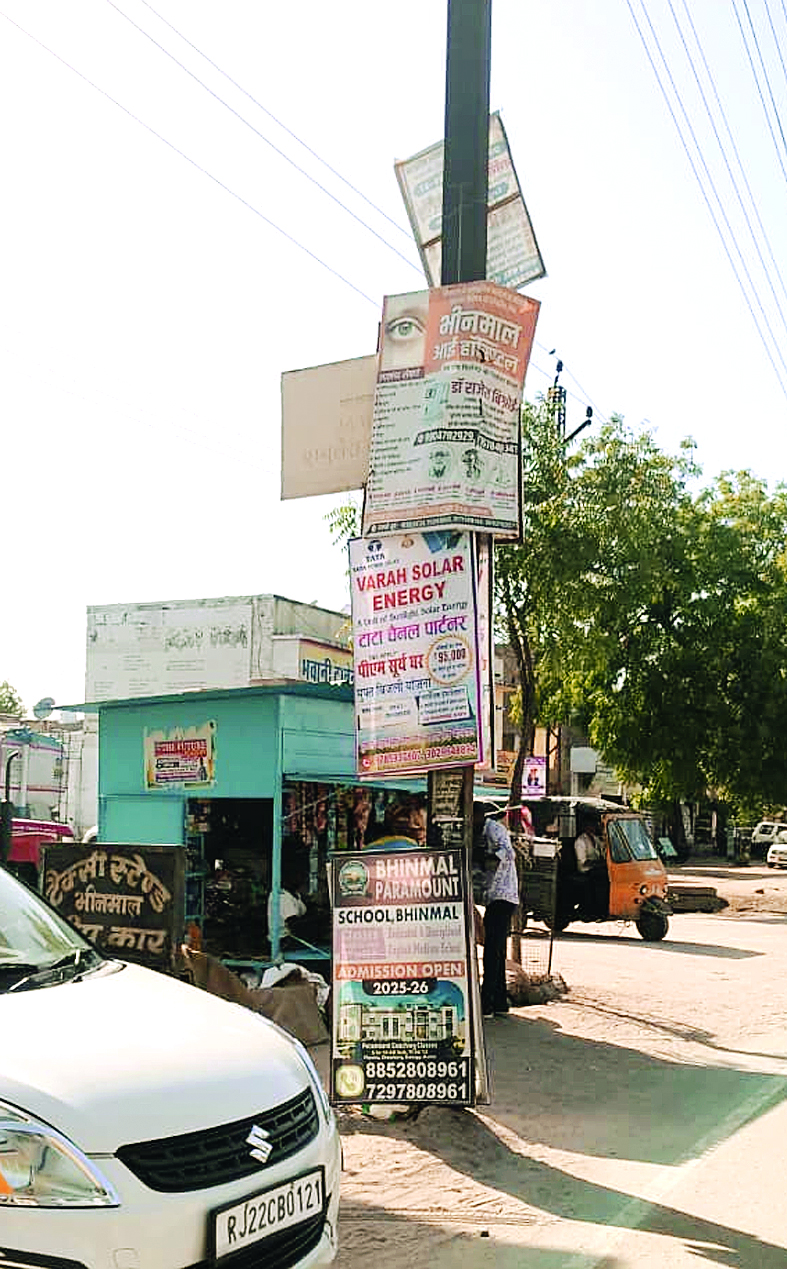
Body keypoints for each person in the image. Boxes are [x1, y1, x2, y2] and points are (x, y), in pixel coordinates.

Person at [474, 802, 520, 1019]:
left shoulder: (494, 829)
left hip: (503, 895)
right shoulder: (481, 832)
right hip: (494, 896)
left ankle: (487, 1003)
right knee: (497, 950)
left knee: (492, 950)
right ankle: (500, 1001)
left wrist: (484, 857)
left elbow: (507, 853)